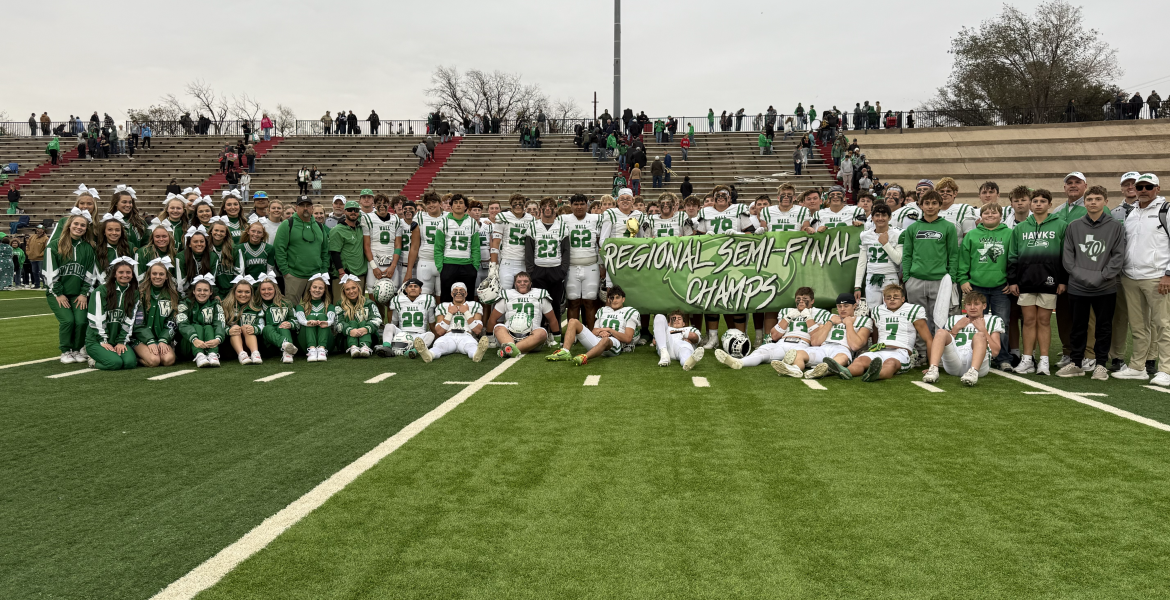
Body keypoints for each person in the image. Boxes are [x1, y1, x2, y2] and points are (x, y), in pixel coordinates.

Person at [1058, 185, 1125, 380]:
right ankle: (1076, 363)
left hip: (1105, 287)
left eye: (1097, 199)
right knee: (1078, 326)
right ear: (1084, 203)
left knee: (1104, 327)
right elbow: (1068, 258)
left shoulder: (1115, 227)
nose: (1093, 202)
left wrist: (1101, 276)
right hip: (1079, 287)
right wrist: (1084, 277)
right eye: (1090, 199)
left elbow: (1118, 257)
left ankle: (1101, 365)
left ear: (1105, 202)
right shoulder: (1074, 226)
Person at [1113, 174, 1170, 384]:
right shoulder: (1132, 213)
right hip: (1131, 277)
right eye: (1140, 186)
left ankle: (1167, 368)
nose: (1143, 190)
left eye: (1148, 186)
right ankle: (1138, 366)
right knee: (1138, 326)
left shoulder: (1166, 211)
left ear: (1157, 188)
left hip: (1157, 277)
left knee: (1163, 324)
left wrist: (1168, 274)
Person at [1007, 189, 1067, 376]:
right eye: (1035, 201)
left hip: (1050, 282)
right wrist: (1013, 281)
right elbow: (1013, 256)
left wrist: (1063, 280)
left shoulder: (1061, 226)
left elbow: (1066, 255)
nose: (1039, 204)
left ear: (1050, 204)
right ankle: (1027, 360)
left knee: (1044, 321)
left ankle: (1044, 362)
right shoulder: (1020, 228)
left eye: (1043, 201)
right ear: (1031, 205)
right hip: (1026, 282)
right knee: (1029, 320)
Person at [900, 191, 959, 363]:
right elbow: (907, 254)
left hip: (940, 280)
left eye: (934, 203)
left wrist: (952, 277)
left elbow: (953, 255)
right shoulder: (913, 228)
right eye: (927, 203)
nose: (931, 206)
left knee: (938, 319)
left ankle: (938, 356)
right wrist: (907, 278)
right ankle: (921, 354)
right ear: (921, 205)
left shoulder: (948, 227)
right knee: (918, 319)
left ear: (940, 205)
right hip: (915, 281)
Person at [713, 287, 829, 370]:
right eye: (799, 298)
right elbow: (774, 335)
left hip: (802, 344)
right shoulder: (787, 311)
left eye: (805, 299)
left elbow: (816, 338)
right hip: (783, 342)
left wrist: (807, 316)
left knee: (798, 357)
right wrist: (788, 318)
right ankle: (738, 362)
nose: (801, 302)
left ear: (812, 301)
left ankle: (793, 369)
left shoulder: (819, 313)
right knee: (762, 352)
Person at [957, 203, 1013, 369]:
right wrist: (962, 279)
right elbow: (964, 259)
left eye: (994, 212)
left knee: (1001, 323)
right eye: (986, 212)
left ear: (1000, 216)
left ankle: (1002, 358)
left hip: (1000, 287)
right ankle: (974, 354)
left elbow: (1013, 259)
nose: (990, 215)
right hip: (976, 286)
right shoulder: (972, 235)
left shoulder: (1009, 234)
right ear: (980, 216)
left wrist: (1011, 280)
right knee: (974, 321)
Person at [775, 293, 872, 380]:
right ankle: (796, 369)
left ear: (854, 306)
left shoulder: (863, 320)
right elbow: (815, 342)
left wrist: (849, 324)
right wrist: (830, 323)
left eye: (846, 306)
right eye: (839, 306)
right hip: (823, 347)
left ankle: (820, 372)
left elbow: (855, 346)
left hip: (842, 349)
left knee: (841, 358)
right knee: (797, 354)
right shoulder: (828, 317)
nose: (842, 309)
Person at [848, 284, 932, 381]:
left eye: (896, 297)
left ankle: (876, 375)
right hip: (880, 350)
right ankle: (846, 372)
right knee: (860, 361)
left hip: (900, 352)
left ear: (903, 299)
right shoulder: (878, 311)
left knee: (890, 363)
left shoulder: (913, 310)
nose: (892, 299)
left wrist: (932, 366)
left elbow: (928, 339)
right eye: (888, 297)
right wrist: (875, 346)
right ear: (884, 299)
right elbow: (876, 332)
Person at [922, 292, 1004, 386]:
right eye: (969, 304)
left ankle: (973, 372)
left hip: (979, 366)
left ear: (984, 306)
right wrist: (955, 329)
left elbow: (995, 352)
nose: (972, 307)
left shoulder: (993, 320)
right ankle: (933, 369)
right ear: (965, 306)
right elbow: (943, 343)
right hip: (954, 361)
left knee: (979, 336)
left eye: (976, 304)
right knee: (941, 332)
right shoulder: (954, 319)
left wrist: (983, 330)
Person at [46, 212, 96, 364]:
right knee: (68, 321)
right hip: (57, 294)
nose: (79, 227)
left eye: (83, 225)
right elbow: (49, 273)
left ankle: (77, 349)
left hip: (78, 294)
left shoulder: (88, 248)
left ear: (86, 229)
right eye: (76, 224)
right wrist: (59, 293)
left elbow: (90, 274)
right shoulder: (54, 245)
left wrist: (83, 293)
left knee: (81, 321)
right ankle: (65, 350)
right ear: (68, 226)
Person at [547, 286, 638, 365]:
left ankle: (585, 357)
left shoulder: (630, 311)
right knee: (573, 321)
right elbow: (594, 331)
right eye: (612, 298)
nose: (614, 300)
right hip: (598, 339)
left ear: (623, 299)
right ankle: (565, 351)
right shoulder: (603, 310)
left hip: (614, 344)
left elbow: (627, 338)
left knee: (606, 339)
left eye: (617, 297)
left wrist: (610, 331)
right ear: (608, 300)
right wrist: (601, 332)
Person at [83, 257, 140, 370]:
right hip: (97, 341)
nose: (125, 275)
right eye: (121, 272)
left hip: (117, 340)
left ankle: (113, 351)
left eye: (128, 272)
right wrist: (103, 340)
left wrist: (121, 342)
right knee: (115, 363)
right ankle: (92, 360)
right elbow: (96, 319)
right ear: (114, 274)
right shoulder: (101, 291)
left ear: (132, 275)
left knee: (130, 363)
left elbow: (130, 320)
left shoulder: (134, 293)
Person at [487, 271, 560, 358]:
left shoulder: (540, 295)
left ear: (531, 283)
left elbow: (552, 319)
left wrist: (557, 339)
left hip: (531, 336)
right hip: (509, 335)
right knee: (499, 327)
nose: (522, 284)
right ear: (515, 284)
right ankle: (511, 348)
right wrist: (490, 338)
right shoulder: (508, 295)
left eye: (525, 281)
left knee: (542, 333)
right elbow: (493, 318)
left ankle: (508, 350)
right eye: (519, 282)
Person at [274, 196, 330, 302]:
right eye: (302, 206)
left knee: (313, 309)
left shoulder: (319, 226)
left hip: (315, 275)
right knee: (291, 307)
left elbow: (325, 250)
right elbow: (279, 249)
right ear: (296, 208)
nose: (305, 208)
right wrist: (285, 271)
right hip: (294, 275)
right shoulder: (287, 224)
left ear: (312, 208)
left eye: (308, 206)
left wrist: (323, 270)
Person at [417, 282, 490, 363]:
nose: (458, 292)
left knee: (471, 346)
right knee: (440, 345)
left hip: (466, 335)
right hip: (449, 335)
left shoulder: (475, 305)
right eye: (455, 290)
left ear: (466, 294)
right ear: (452, 294)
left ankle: (476, 355)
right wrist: (450, 313)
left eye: (461, 290)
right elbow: (440, 331)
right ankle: (429, 354)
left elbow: (477, 330)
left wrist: (466, 312)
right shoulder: (443, 306)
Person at [524, 197, 568, 327]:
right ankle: (540, 331)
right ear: (541, 209)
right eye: (545, 206)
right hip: (538, 268)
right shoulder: (533, 226)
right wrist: (531, 271)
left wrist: (563, 270)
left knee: (555, 303)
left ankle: (555, 332)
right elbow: (529, 250)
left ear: (555, 209)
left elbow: (566, 250)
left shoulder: (561, 226)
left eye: (550, 206)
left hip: (555, 268)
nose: (547, 209)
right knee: (539, 302)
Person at [855, 202, 904, 309]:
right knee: (873, 312)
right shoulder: (865, 235)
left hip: (890, 276)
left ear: (889, 217)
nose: (880, 218)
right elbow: (862, 262)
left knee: (891, 309)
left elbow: (898, 260)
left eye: (884, 215)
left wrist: (885, 243)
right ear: (872, 217)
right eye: (877, 215)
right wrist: (857, 286)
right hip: (871, 277)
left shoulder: (898, 234)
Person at [434, 193, 481, 303]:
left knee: (467, 299)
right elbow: (438, 247)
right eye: (455, 202)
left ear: (466, 207)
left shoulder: (472, 222)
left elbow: (475, 247)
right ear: (451, 206)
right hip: (448, 264)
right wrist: (441, 267)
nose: (458, 205)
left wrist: (474, 267)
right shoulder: (444, 222)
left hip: (467, 265)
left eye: (461, 202)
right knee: (446, 298)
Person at [134, 259, 181, 367]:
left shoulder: (173, 296)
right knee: (154, 361)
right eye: (154, 273)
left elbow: (172, 323)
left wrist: (164, 340)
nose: (157, 276)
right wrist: (150, 340)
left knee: (168, 360)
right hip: (142, 339)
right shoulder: (140, 294)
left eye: (161, 274)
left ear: (166, 277)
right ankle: (136, 357)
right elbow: (138, 324)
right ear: (149, 275)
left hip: (161, 338)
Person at [404, 192, 448, 298]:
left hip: (444, 262)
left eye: (434, 202)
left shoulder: (448, 217)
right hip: (425, 261)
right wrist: (409, 271)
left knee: (442, 298)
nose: (431, 205)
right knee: (424, 297)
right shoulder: (419, 217)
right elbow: (414, 247)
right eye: (428, 203)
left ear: (440, 204)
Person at [379, 278, 436, 358]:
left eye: (416, 286)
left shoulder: (427, 300)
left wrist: (437, 338)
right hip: (402, 333)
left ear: (420, 290)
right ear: (406, 290)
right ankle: (386, 347)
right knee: (389, 326)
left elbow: (431, 322)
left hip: (419, 336)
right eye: (410, 286)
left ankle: (414, 351)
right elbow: (394, 322)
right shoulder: (398, 300)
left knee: (430, 335)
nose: (413, 288)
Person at [177, 275, 226, 367]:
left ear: (211, 292)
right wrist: (194, 339)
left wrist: (218, 339)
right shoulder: (184, 304)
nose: (202, 293)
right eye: (199, 290)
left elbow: (220, 323)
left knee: (208, 327)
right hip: (188, 345)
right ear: (194, 291)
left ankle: (212, 355)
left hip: (209, 342)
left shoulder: (215, 305)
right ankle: (199, 355)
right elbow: (182, 324)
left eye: (206, 290)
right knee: (197, 326)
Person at [490, 193, 535, 293]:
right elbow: (496, 242)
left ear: (524, 205)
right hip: (507, 261)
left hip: (524, 262)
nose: (518, 206)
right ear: (510, 205)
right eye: (515, 203)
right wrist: (493, 265)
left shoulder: (531, 219)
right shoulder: (503, 217)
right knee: (504, 292)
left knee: (522, 293)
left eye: (520, 203)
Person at [327, 200, 368, 300]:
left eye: (356, 210)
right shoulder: (337, 230)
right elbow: (334, 253)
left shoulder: (361, 228)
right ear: (345, 212)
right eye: (350, 210)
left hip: (360, 273)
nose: (353, 212)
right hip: (344, 274)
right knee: (340, 305)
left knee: (358, 306)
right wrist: (341, 272)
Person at [334, 274, 381, 358]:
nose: (351, 291)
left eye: (353, 288)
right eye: (347, 289)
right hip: (346, 340)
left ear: (358, 288)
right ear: (343, 291)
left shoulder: (369, 303)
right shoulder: (339, 304)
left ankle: (365, 347)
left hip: (369, 338)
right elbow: (338, 323)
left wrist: (366, 329)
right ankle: (353, 347)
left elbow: (377, 319)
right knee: (352, 323)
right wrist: (350, 330)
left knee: (363, 323)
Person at [222, 275, 264, 365]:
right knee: (236, 328)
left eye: (247, 292)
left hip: (252, 342)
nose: (243, 295)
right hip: (231, 346)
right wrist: (228, 330)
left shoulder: (257, 308)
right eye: (239, 291)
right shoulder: (225, 306)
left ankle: (255, 354)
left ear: (252, 293)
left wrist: (255, 329)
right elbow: (219, 325)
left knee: (246, 327)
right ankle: (241, 354)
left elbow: (262, 324)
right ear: (234, 292)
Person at [294, 273, 334, 362]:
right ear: (309, 289)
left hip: (327, 344)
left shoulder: (329, 306)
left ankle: (322, 349)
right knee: (311, 316)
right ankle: (311, 349)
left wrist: (325, 322)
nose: (317, 290)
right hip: (305, 343)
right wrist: (308, 322)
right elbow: (301, 320)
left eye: (320, 288)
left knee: (322, 316)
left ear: (324, 290)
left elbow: (331, 320)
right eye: (314, 287)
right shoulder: (301, 306)